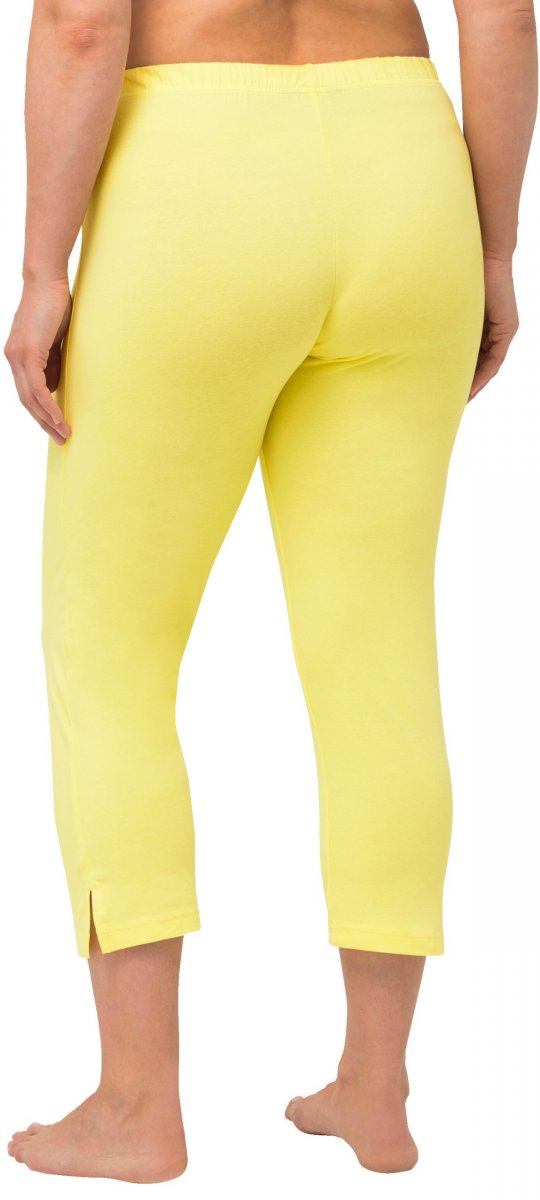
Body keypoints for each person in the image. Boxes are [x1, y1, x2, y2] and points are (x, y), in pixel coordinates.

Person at [4, 0, 537, 1184]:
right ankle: (376, 1088)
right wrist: (495, 247)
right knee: (379, 653)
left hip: (197, 181)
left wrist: (44, 266)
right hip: (406, 174)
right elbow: (502, 15)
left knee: (111, 655)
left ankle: (137, 1103)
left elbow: (83, 23)